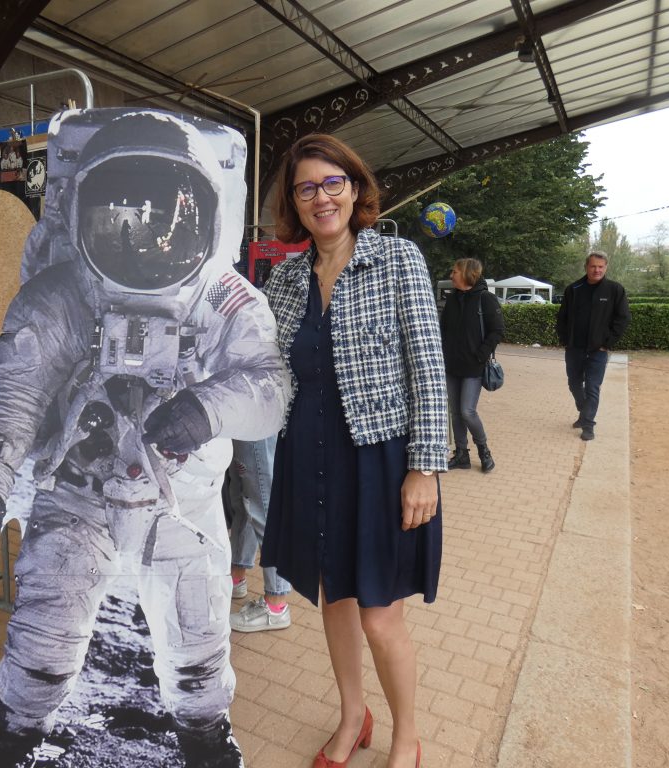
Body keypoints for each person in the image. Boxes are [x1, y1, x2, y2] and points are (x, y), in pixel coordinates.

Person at [0, 108, 289, 768]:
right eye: (120, 213)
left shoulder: (223, 298)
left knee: (196, 623)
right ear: (83, 213)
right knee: (48, 620)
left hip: (177, 502)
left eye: (167, 215)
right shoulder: (60, 296)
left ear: (202, 213)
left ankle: (200, 730)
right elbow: (16, 399)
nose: (146, 234)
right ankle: (18, 728)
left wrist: (207, 409)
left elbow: (268, 387)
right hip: (77, 492)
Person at [262, 134, 446, 768]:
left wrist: (425, 467)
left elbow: (428, 366)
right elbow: (256, 365)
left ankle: (406, 737)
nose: (321, 197)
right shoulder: (283, 280)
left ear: (356, 188)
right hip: (308, 458)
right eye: (306, 187)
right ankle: (352, 718)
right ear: (293, 201)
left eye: (332, 182)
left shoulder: (397, 260)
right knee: (334, 600)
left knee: (379, 617)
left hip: (379, 463)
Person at [555, 250, 630, 441]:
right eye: (593, 266)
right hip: (574, 348)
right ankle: (584, 410)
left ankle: (588, 424)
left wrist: (608, 343)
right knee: (573, 383)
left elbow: (622, 319)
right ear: (586, 267)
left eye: (600, 266)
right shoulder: (574, 289)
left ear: (606, 267)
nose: (597, 270)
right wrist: (565, 340)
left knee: (592, 387)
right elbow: (562, 317)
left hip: (598, 350)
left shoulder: (615, 290)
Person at [439, 258, 504, 472]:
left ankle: (484, 450)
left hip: (473, 367)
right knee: (455, 413)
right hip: (451, 365)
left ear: (468, 273)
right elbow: (443, 330)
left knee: (467, 411)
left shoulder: (486, 299)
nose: (451, 275)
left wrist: (481, 355)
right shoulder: (452, 300)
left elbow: (497, 331)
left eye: (455, 271)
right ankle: (461, 454)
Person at [226, 436, 293, 632]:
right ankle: (236, 577)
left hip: (255, 417)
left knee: (264, 504)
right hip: (241, 414)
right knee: (242, 497)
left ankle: (276, 604)